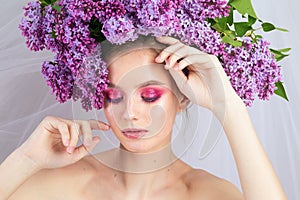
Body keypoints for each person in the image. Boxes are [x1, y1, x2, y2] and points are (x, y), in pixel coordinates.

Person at [0, 35, 287, 200]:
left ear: (183, 97)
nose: (129, 114)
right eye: (113, 96)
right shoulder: (65, 183)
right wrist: (26, 159)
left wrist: (229, 106)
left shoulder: (206, 193)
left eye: (149, 95)